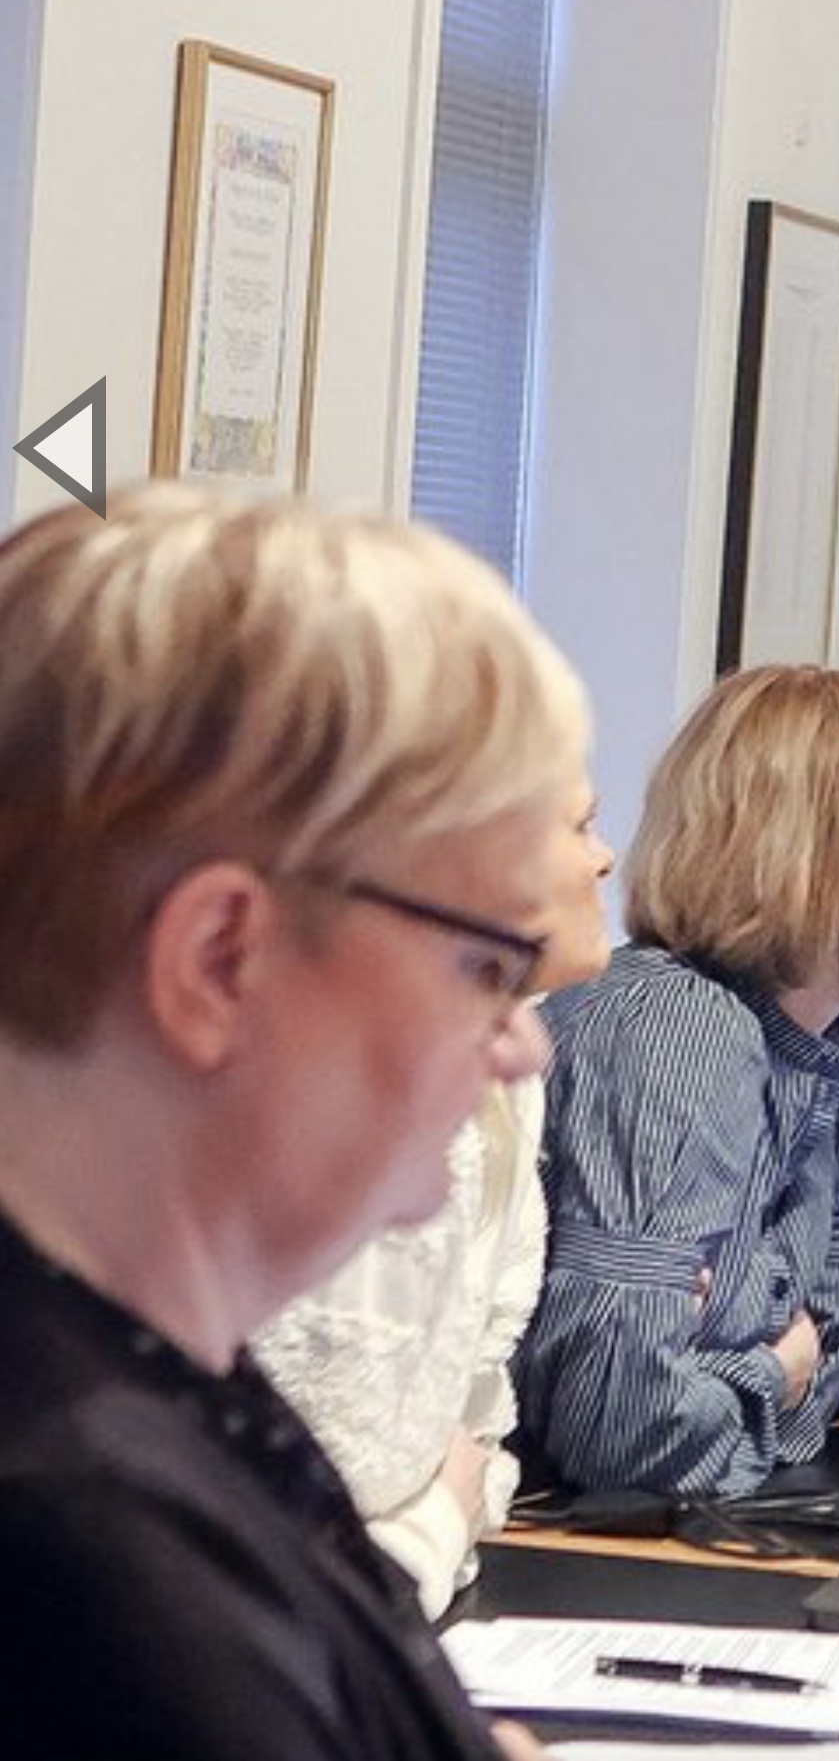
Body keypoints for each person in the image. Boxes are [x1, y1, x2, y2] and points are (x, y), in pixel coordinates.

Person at [0, 486, 588, 1760]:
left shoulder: (153, 1378)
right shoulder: (84, 1551)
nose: (523, 1040)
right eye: (487, 966)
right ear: (221, 958)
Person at [516, 666, 839, 1494]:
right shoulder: (673, 1025)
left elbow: (822, 1373)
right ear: (831, 862)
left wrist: (737, 1376)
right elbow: (619, 1428)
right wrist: (770, 1371)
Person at [251, 774, 615, 1616]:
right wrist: (434, 1526)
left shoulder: (508, 1083)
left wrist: (444, 1515)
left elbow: (476, 1443)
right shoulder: (335, 1105)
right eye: (581, 826)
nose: (606, 859)